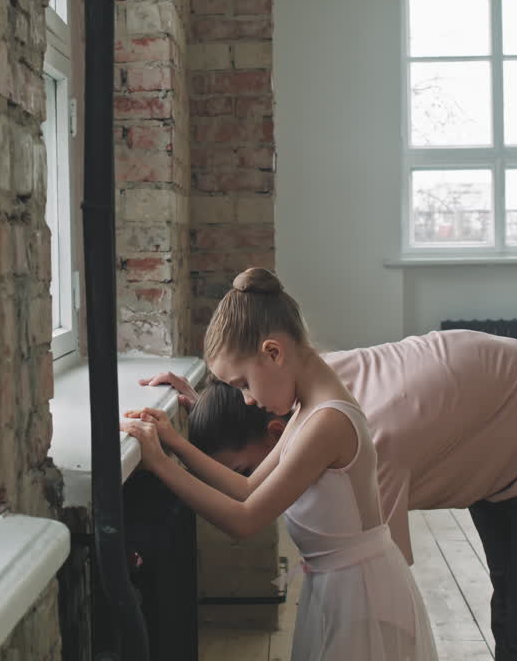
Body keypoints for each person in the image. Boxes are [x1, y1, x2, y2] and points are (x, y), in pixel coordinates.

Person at [140, 329, 517, 661]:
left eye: (246, 466)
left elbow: (386, 582)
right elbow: (256, 450)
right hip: (489, 403)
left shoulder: (365, 445)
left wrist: (165, 460)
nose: (254, 477)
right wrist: (203, 413)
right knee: (512, 600)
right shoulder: (298, 390)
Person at [121, 268, 437, 661]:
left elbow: (245, 519)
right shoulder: (309, 407)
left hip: (362, 595)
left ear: (273, 352)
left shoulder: (327, 422)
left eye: (243, 385)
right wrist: (175, 444)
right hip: (338, 586)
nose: (248, 400)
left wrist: (159, 464)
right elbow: (249, 489)